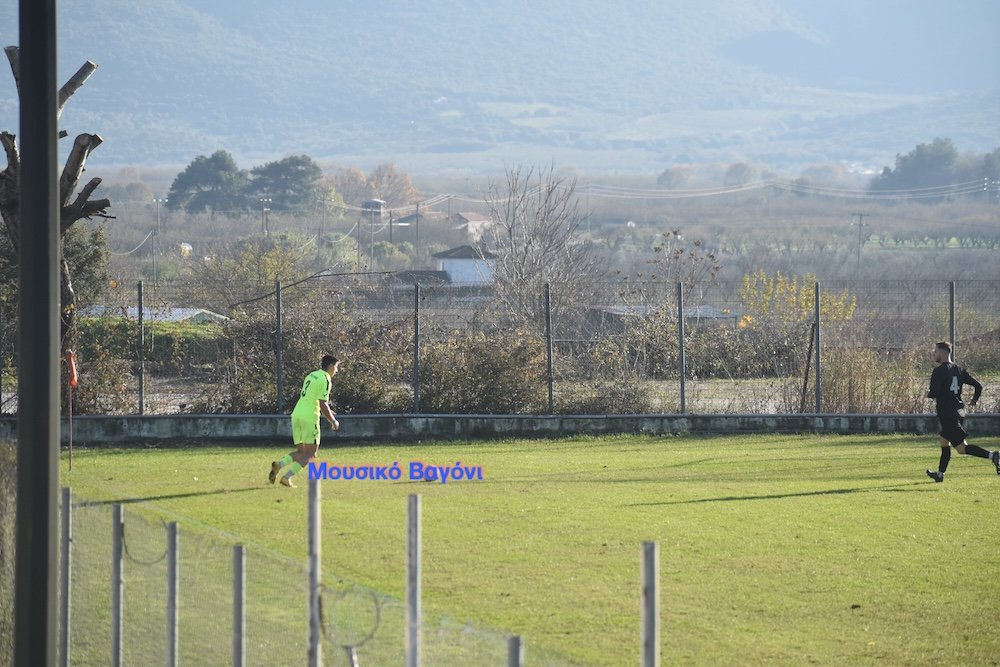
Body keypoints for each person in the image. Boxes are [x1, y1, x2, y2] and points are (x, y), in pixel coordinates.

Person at [925, 341, 998, 482]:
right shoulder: (959, 370)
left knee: (961, 448)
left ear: (943, 352)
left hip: (948, 414)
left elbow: (934, 393)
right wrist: (974, 400)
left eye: (935, 351)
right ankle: (940, 474)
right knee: (944, 441)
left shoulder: (938, 371)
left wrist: (927, 393)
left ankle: (993, 456)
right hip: (959, 411)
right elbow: (978, 386)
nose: (934, 354)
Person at [269, 354, 341, 488]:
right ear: (331, 366)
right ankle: (286, 477)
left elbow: (311, 397)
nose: (336, 371)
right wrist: (333, 421)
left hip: (297, 414)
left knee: (301, 452)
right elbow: (322, 404)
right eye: (336, 367)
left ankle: (279, 464)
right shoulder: (325, 379)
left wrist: (328, 410)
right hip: (309, 418)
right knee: (311, 455)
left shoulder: (312, 375)